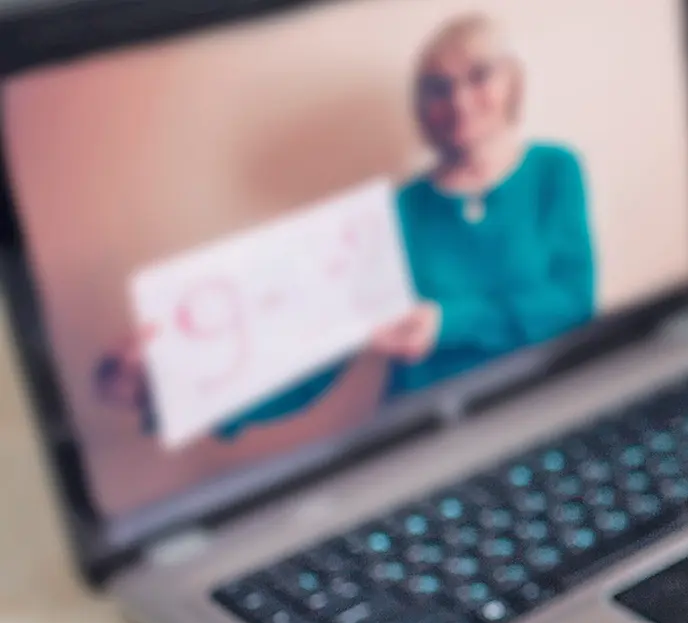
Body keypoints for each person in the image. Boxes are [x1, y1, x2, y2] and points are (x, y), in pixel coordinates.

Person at [195, 11, 596, 441]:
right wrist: (195, 390)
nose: (459, 101)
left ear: (512, 82)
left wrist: (447, 323)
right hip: (428, 431)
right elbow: (324, 347)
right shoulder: (394, 211)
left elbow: (572, 303)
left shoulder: (554, 169)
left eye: (478, 76)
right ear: (422, 107)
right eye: (438, 88)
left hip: (545, 409)